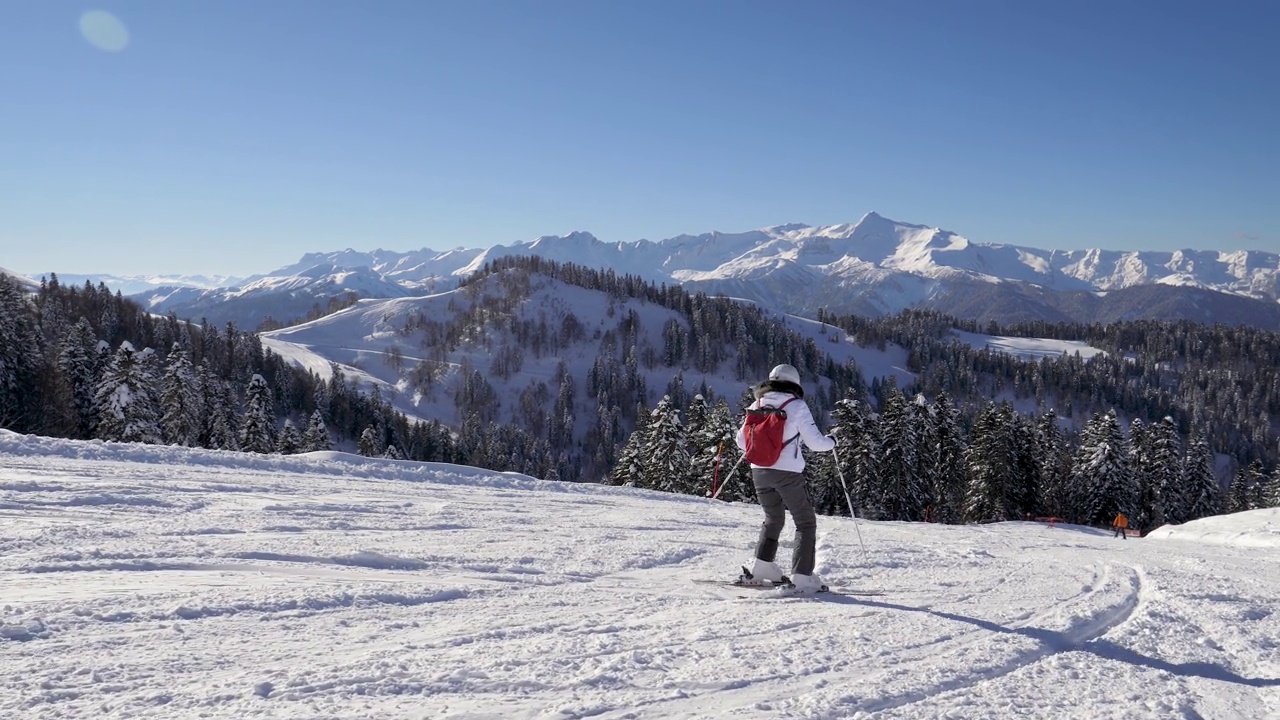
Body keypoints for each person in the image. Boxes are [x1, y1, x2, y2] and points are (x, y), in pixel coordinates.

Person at [735, 364, 835, 592]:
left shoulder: (756, 404)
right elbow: (816, 443)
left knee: (773, 518)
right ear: (795, 384)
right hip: (787, 473)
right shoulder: (797, 406)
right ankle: (802, 576)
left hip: (758, 471)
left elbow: (741, 442)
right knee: (805, 522)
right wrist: (832, 442)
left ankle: (762, 567)